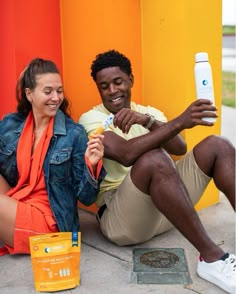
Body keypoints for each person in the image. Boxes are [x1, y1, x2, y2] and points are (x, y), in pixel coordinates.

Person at [79, 50, 236, 294]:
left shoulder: (147, 112)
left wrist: (148, 121)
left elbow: (180, 148)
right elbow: (126, 154)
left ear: (130, 79)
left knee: (219, 145)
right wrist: (181, 121)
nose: (112, 90)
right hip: (122, 221)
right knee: (154, 158)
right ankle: (212, 259)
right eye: (104, 86)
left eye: (118, 82)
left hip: (164, 213)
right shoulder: (91, 119)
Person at [0, 58, 106, 256]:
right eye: (48, 91)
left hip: (52, 221)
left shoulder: (74, 134)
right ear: (29, 94)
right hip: (18, 201)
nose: (56, 97)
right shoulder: (11, 125)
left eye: (59, 91)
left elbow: (86, 197)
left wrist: (91, 165)